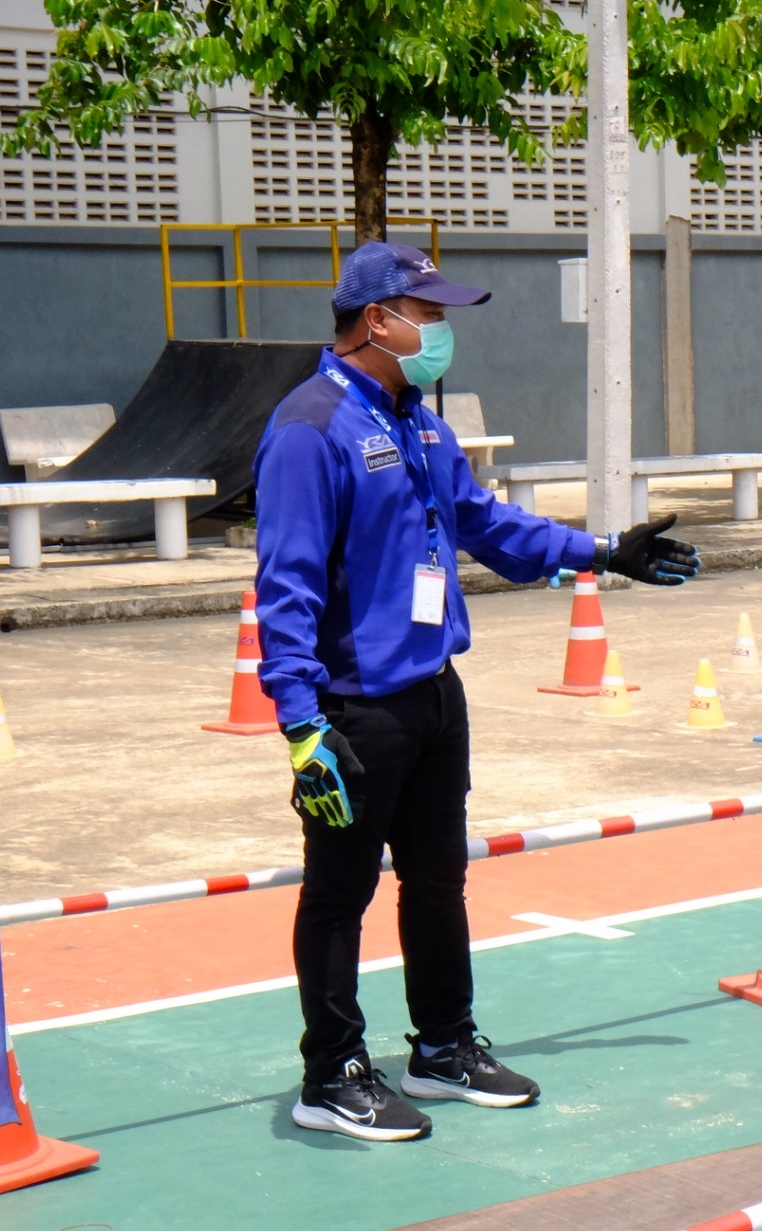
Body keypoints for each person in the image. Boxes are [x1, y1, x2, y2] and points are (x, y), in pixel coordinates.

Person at [254, 240, 700, 1142]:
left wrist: (603, 552)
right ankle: (331, 1071)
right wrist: (302, 725)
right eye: (430, 313)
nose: (442, 329)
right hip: (354, 706)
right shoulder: (310, 428)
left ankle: (443, 1044)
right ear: (376, 319)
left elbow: (486, 525)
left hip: (431, 693)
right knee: (339, 892)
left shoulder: (417, 420)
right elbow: (287, 586)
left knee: (437, 880)